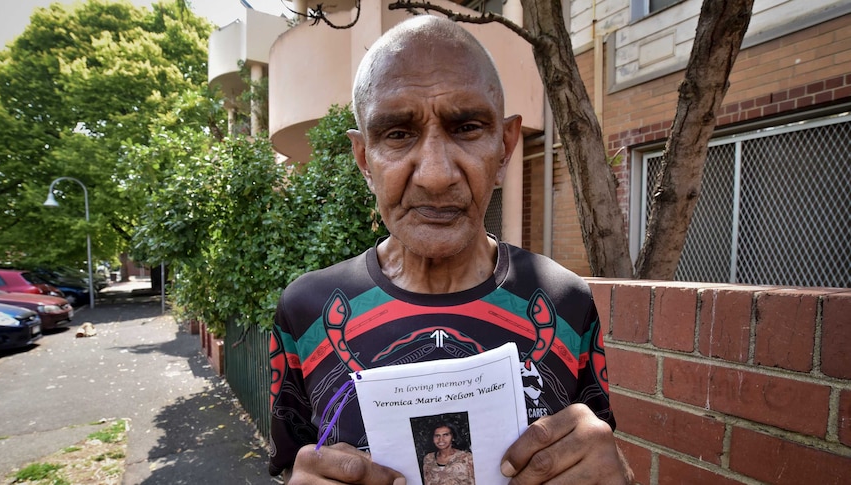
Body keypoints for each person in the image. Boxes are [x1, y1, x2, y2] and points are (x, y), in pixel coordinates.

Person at [268, 14, 633, 484]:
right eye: (397, 134)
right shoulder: (305, 312)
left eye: (466, 128)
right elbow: (287, 465)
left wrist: (620, 474)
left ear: (504, 147)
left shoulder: (567, 303)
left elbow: (598, 455)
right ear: (364, 160)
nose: (436, 175)